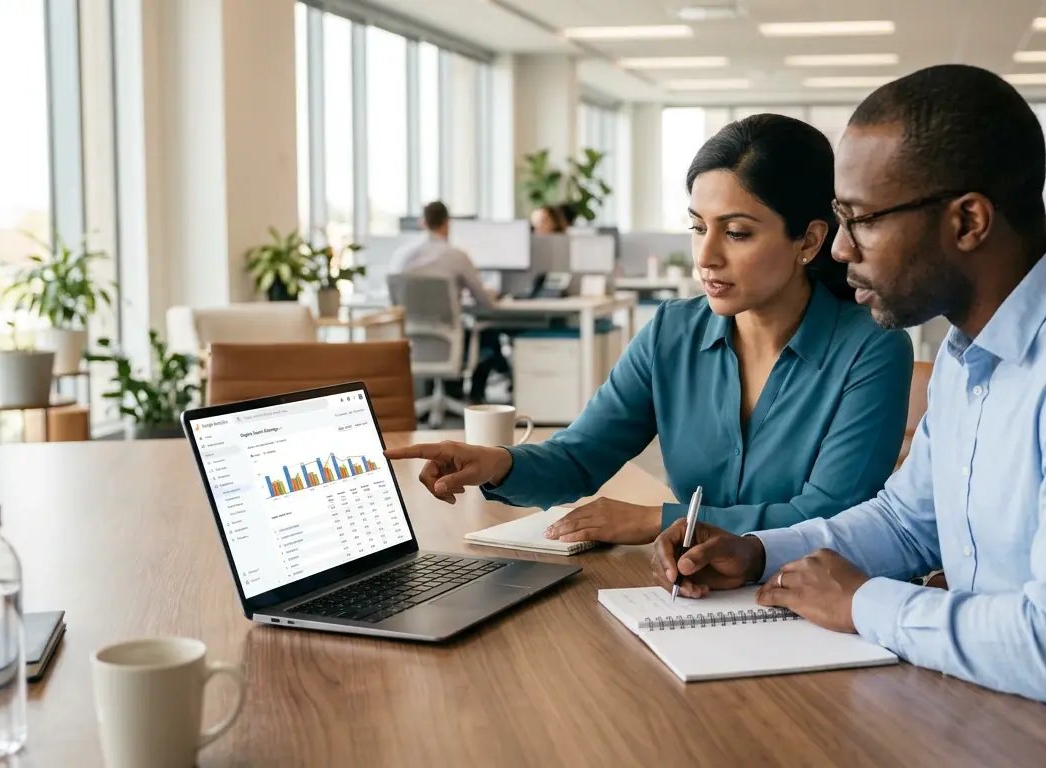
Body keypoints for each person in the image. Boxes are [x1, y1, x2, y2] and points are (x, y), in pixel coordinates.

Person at [653, 65, 1046, 747]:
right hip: (999, 713)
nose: (843, 248)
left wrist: (862, 602)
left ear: (967, 220)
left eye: (860, 220)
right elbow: (908, 524)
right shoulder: (970, 349)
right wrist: (759, 552)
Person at [386, 114, 913, 545]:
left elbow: (831, 518)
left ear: (809, 240)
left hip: (809, 607)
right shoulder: (671, 334)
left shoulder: (872, 349)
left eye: (736, 232)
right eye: (697, 227)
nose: (706, 256)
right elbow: (580, 455)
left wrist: (661, 522)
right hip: (686, 596)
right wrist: (496, 464)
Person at [390, 201, 505, 402]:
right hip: (450, 341)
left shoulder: (401, 256)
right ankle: (475, 399)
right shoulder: (456, 256)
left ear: (422, 222)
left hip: (413, 343)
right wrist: (492, 295)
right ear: (447, 224)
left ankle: (443, 398)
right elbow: (484, 301)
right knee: (490, 333)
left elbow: (394, 304)